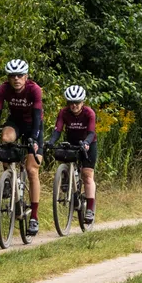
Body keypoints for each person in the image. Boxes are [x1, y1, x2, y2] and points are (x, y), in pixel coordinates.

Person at [0, 58, 44, 236]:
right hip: (16, 123)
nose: (16, 79)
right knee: (5, 138)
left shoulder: (34, 90)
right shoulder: (3, 89)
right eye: (12, 76)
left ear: (26, 76)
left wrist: (34, 139)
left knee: (32, 170)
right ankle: (8, 179)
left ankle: (34, 217)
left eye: (20, 75)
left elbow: (37, 117)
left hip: (34, 126)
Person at [53, 84, 99, 224]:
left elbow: (91, 132)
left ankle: (90, 209)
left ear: (82, 102)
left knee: (87, 175)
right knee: (65, 161)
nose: (74, 105)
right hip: (72, 142)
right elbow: (58, 130)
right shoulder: (63, 112)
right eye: (71, 103)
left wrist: (86, 143)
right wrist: (50, 142)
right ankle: (67, 181)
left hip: (89, 144)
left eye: (77, 102)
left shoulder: (89, 113)